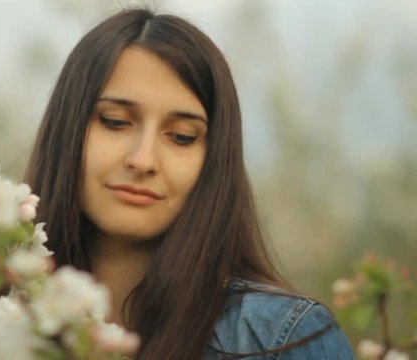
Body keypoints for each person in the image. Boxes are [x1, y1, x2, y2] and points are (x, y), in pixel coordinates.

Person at [25, 7, 355, 359]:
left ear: (214, 161)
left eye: (181, 137)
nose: (143, 159)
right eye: (115, 121)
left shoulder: (278, 339)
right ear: (68, 130)